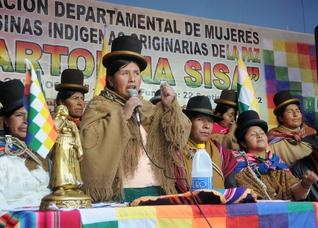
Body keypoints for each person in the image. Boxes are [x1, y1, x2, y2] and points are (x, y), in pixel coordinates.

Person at [79, 35, 191, 202]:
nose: (132, 79)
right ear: (110, 79)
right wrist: (122, 115)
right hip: (122, 194)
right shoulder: (99, 105)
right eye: (124, 73)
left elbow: (179, 138)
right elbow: (89, 143)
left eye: (136, 73)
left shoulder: (148, 108)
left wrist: (170, 107)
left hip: (158, 192)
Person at [234, 110, 318, 200]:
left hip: (285, 212)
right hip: (257, 212)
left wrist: (305, 184)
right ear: (243, 143)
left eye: (262, 133)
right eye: (253, 134)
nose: (259, 136)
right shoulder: (239, 165)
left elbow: (296, 194)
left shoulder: (277, 162)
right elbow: (246, 195)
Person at [0, 79, 50, 209]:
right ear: (6, 121)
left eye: (30, 115)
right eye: (19, 115)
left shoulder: (41, 154)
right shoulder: (2, 157)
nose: (26, 121)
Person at [175, 95, 237, 193]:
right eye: (200, 120)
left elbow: (231, 189)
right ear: (188, 122)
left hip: (219, 205)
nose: (206, 126)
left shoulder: (223, 154)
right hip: (186, 206)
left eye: (210, 121)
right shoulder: (176, 152)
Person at [267, 90, 317, 166]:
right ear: (281, 118)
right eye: (290, 112)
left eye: (298, 111)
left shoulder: (310, 133)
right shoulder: (272, 139)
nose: (295, 114)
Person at [49, 105, 83, 196]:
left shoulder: (71, 124)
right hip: (60, 145)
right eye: (61, 110)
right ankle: (59, 186)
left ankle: (73, 186)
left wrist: (79, 149)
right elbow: (52, 133)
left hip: (71, 146)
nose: (63, 111)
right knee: (60, 166)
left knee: (72, 168)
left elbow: (77, 136)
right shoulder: (55, 122)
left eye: (64, 110)